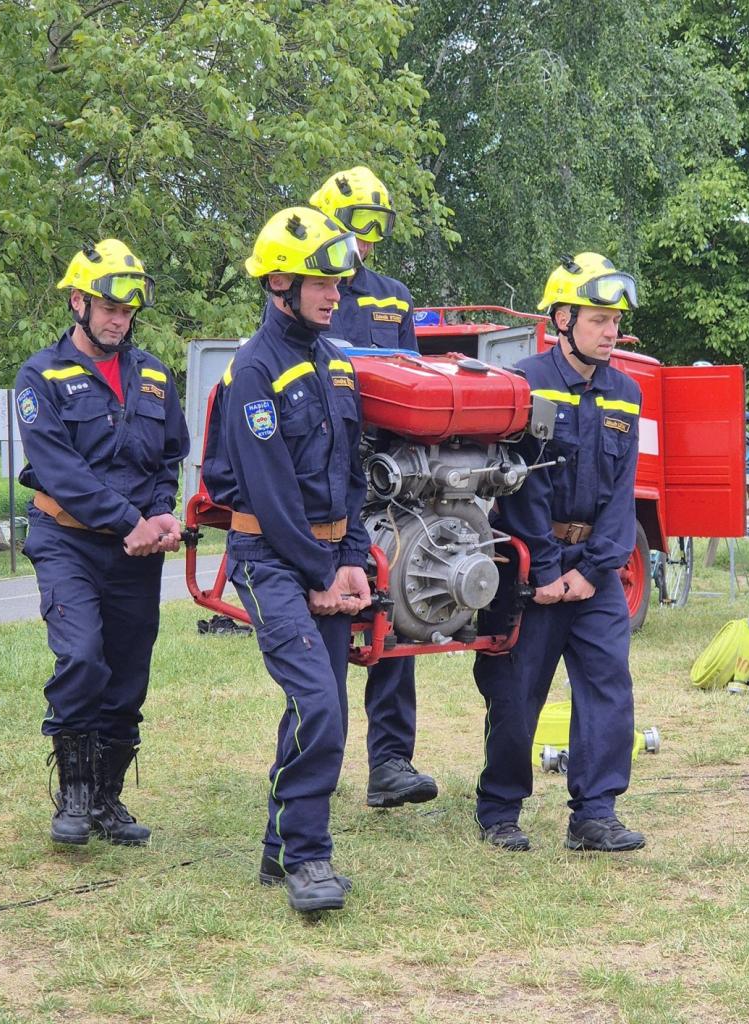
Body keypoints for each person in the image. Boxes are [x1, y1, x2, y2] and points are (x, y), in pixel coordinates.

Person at [201, 207, 372, 913]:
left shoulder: (337, 364)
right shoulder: (254, 370)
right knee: (318, 702)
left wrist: (352, 558)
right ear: (279, 283)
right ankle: (307, 857)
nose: (336, 294)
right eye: (320, 282)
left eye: (338, 282)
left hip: (328, 554)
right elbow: (270, 496)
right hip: (270, 557)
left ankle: (279, 849)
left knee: (322, 705)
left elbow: (356, 474)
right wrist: (321, 573)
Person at [16, 239, 189, 847]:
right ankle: (74, 795)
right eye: (110, 307)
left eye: (128, 310)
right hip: (67, 541)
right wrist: (129, 520)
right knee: (83, 657)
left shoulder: (154, 375)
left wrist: (160, 513)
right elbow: (61, 472)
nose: (120, 320)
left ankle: (106, 799)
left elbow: (168, 457)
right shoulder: (41, 376)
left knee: (128, 675)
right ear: (78, 302)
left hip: (136, 552)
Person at [473, 252, 646, 853]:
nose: (611, 331)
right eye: (599, 320)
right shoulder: (526, 383)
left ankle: (594, 814)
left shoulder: (626, 393)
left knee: (608, 686)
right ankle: (500, 810)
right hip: (530, 564)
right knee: (516, 692)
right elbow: (522, 486)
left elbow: (622, 493)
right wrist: (546, 569)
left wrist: (597, 569)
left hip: (594, 568)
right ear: (564, 319)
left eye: (615, 321)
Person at [309, 165, 438, 809]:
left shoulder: (394, 296)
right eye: (356, 225)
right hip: (328, 473)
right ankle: (318, 762)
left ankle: (390, 763)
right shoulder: (307, 289)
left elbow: (413, 379)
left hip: (390, 476)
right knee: (330, 615)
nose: (365, 241)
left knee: (399, 607)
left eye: (375, 228)